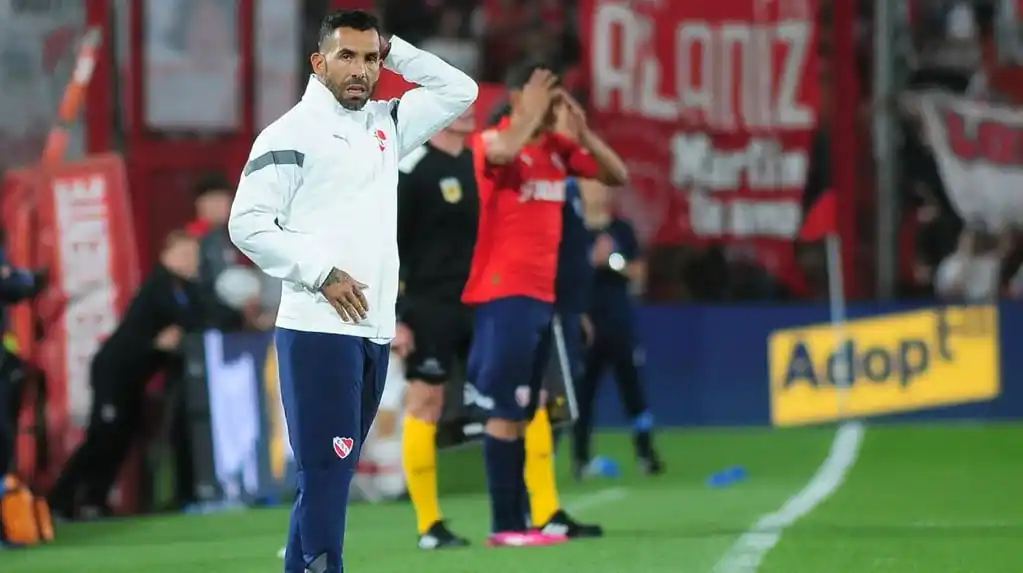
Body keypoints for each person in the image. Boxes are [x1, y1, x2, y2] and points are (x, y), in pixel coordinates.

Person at [227, 10, 476, 573]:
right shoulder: (290, 133)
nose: (361, 70)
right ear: (319, 63)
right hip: (318, 329)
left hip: (372, 330)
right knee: (326, 474)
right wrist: (322, 272)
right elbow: (247, 224)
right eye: (347, 56)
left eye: (370, 59)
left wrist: (397, 50)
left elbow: (460, 90)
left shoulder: (387, 124)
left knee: (328, 478)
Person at [462, 62, 627, 547]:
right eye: (550, 98)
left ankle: (520, 523)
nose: (557, 109)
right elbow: (504, 150)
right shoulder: (492, 142)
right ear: (520, 98)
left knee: (524, 409)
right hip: (504, 293)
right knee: (504, 408)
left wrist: (584, 133)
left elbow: (616, 174)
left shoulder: (557, 151)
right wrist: (531, 112)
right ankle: (504, 525)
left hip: (541, 296)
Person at [48, 231, 205, 519]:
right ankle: (58, 499)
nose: (190, 260)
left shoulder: (184, 289)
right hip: (114, 371)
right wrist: (156, 342)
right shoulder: (159, 286)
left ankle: (94, 499)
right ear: (166, 255)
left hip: (134, 378)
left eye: (193, 255)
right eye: (184, 254)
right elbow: (181, 321)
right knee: (102, 435)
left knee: (121, 438)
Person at [392, 108, 478, 549]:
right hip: (429, 306)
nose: (469, 110)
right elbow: (387, 243)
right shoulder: (413, 167)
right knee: (427, 401)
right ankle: (429, 524)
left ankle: (527, 511)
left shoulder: (479, 163)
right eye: (457, 103)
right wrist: (395, 314)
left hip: (482, 300)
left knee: (516, 397)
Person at [571, 179, 662, 477]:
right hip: (585, 326)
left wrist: (612, 260)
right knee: (582, 396)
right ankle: (581, 459)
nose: (596, 191)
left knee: (633, 392)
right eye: (590, 185)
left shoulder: (622, 230)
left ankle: (646, 454)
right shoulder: (573, 229)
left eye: (601, 185)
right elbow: (564, 273)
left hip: (619, 324)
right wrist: (590, 260)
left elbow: (640, 275)